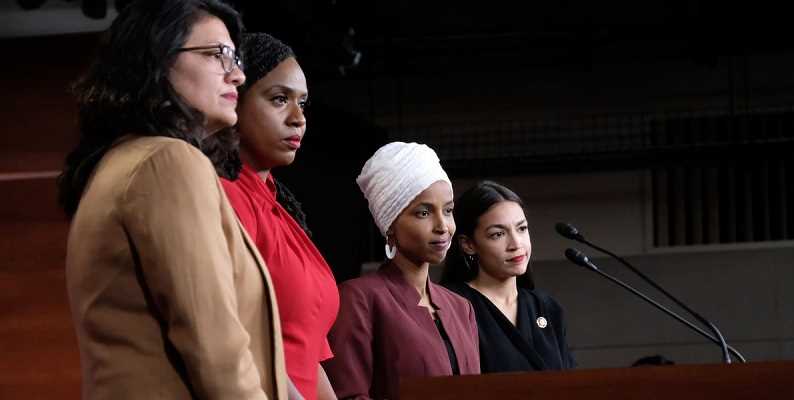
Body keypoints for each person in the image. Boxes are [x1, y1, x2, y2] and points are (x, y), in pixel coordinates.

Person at [58, 1, 287, 399]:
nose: (238, 75)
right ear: (158, 61)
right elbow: (218, 352)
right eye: (218, 55)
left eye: (236, 57)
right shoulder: (168, 162)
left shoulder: (127, 162)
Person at [219, 33, 339, 400]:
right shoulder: (225, 195)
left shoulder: (280, 208)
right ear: (234, 99)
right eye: (279, 99)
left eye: (302, 103)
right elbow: (237, 340)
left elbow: (309, 357)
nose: (298, 118)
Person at [323, 142, 480, 400]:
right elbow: (349, 395)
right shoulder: (358, 298)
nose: (443, 226)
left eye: (448, 210)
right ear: (390, 224)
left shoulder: (461, 308)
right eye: (424, 213)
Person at [441, 180, 575, 373]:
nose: (516, 243)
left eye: (522, 229)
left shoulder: (546, 306)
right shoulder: (451, 305)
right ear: (468, 244)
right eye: (498, 234)